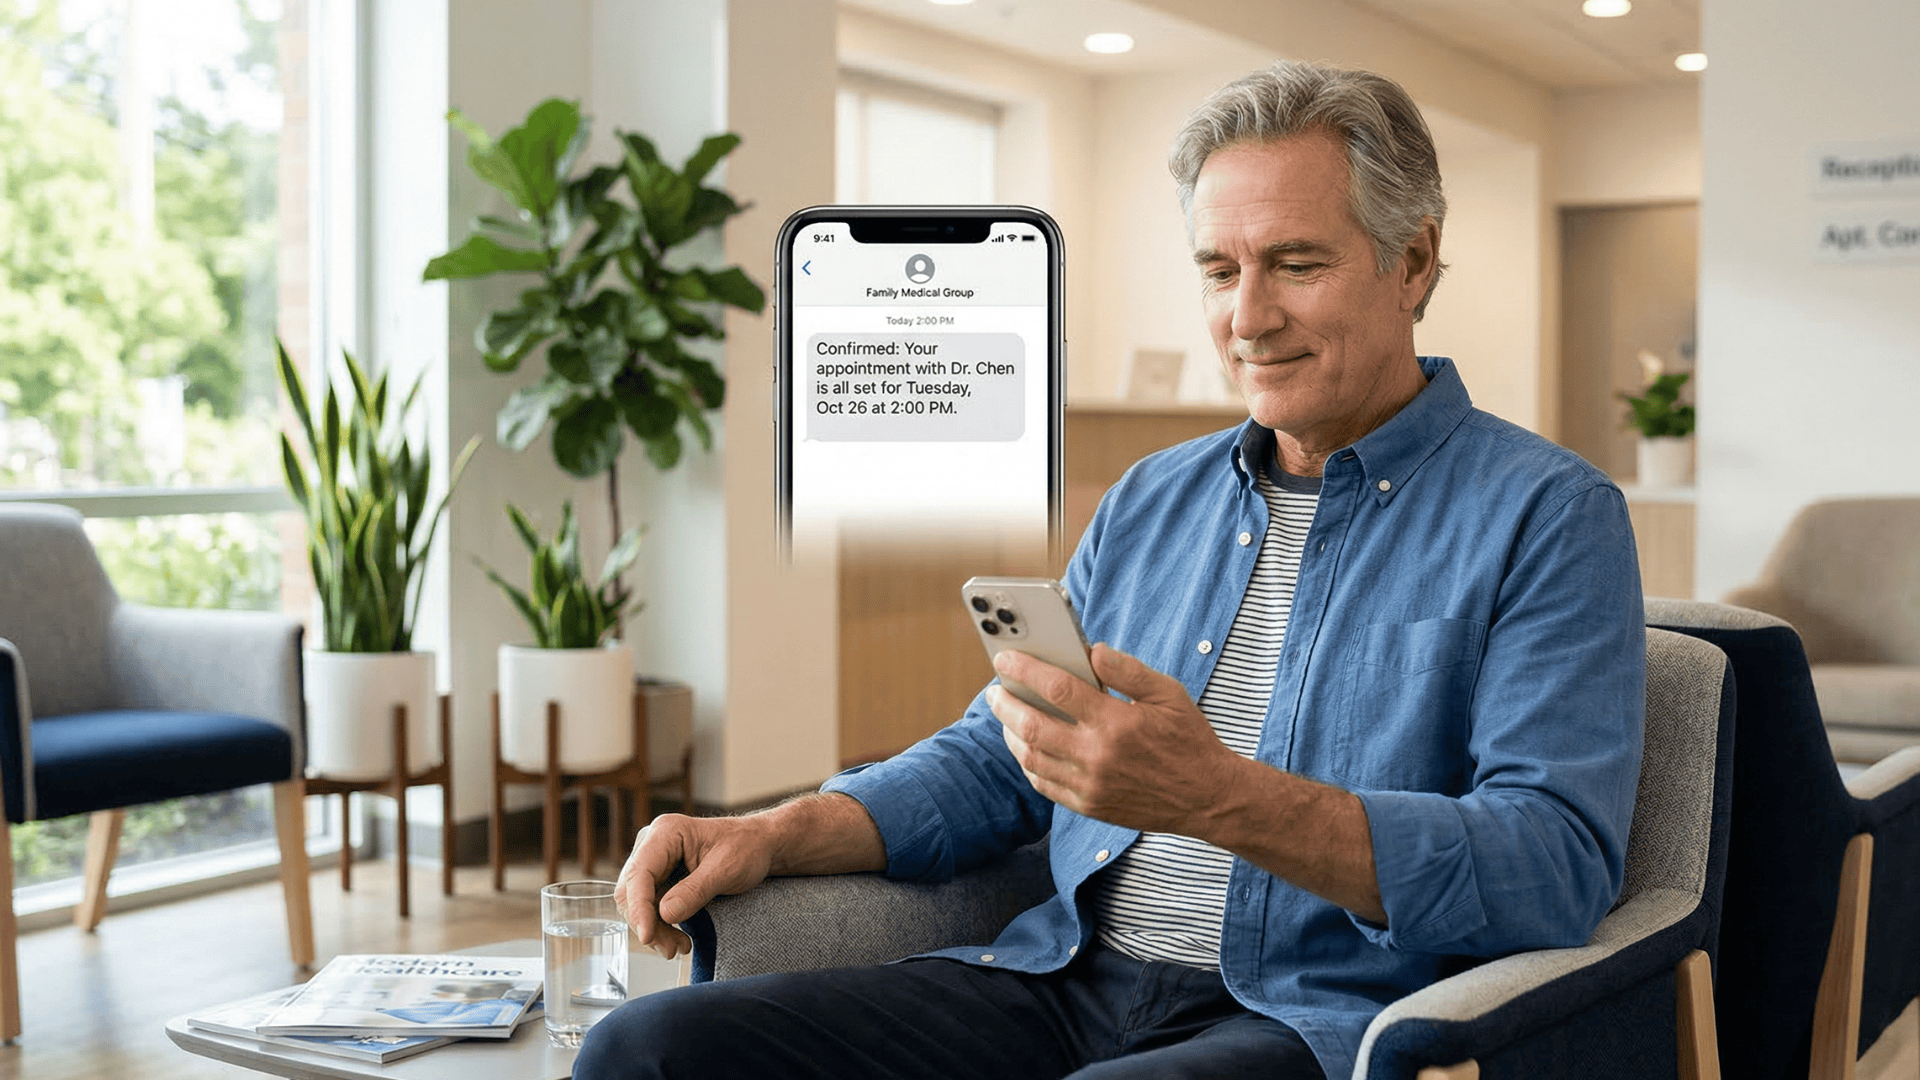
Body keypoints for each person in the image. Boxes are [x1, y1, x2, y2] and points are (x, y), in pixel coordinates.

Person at [575, 59, 1644, 1080]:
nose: (1248, 317)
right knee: (644, 1052)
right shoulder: (1151, 499)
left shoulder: (1551, 516)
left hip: (1311, 1016)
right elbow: (1000, 759)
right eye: (1219, 271)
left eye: (1298, 264)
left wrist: (1221, 798)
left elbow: (1552, 865)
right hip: (1063, 978)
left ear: (1412, 261)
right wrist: (777, 829)